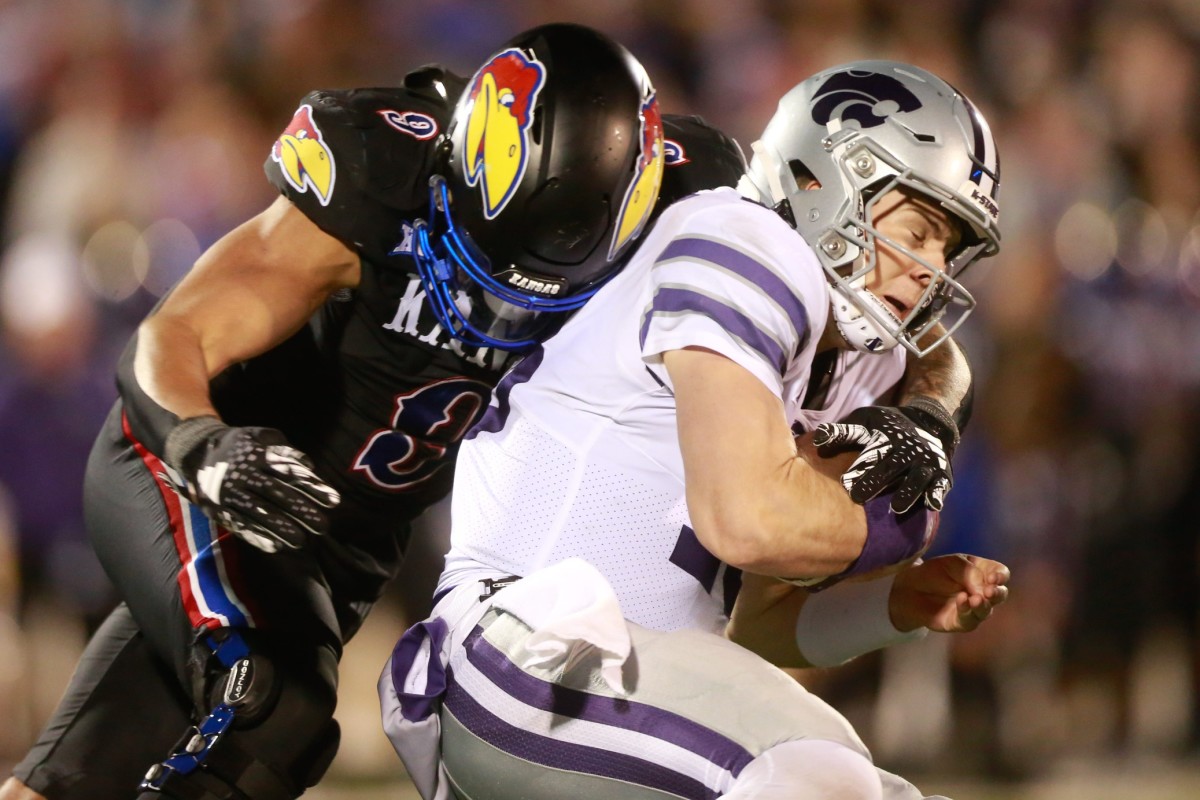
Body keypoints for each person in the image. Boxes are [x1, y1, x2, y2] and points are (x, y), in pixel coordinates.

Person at [0, 23, 755, 800]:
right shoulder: (379, 170)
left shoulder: (692, 205)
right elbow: (175, 335)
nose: (495, 298)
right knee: (268, 708)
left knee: (80, 777)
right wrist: (204, 444)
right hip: (217, 470)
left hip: (345, 541)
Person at [381, 59, 1008, 800]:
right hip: (529, 649)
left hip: (616, 688)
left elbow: (758, 627)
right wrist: (903, 520)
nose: (930, 271)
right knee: (810, 771)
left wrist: (893, 603)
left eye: (948, 247)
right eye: (920, 230)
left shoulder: (834, 355)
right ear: (827, 182)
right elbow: (749, 523)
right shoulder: (741, 241)